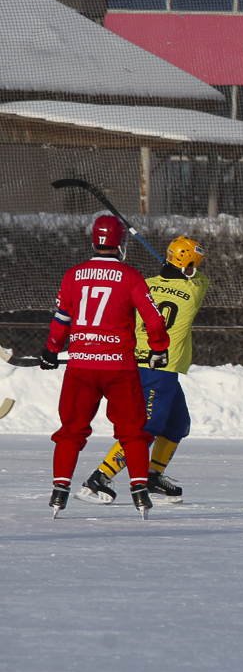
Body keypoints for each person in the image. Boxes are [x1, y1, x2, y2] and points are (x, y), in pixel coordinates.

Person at [42, 215, 171, 516]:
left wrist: (50, 351)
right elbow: (153, 319)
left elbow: (62, 320)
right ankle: (140, 491)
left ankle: (60, 490)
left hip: (81, 367)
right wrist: (159, 350)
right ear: (122, 243)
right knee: (132, 431)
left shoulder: (73, 274)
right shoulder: (130, 276)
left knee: (71, 430)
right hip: (120, 369)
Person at [77, 237, 208, 506]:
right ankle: (99, 478)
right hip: (159, 368)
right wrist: (179, 270)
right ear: (190, 264)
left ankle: (153, 477)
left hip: (142, 364)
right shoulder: (195, 289)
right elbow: (197, 277)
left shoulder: (143, 284)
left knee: (177, 423)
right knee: (145, 429)